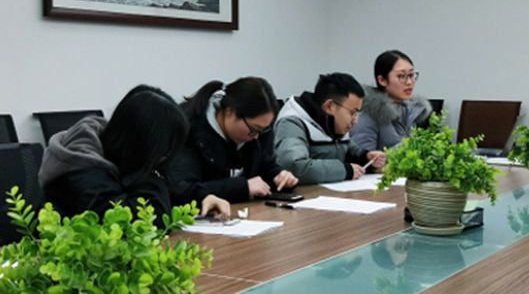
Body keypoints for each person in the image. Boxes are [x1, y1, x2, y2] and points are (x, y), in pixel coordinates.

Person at [39, 85, 230, 222]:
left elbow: (170, 185)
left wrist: (201, 197)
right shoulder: (82, 168)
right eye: (164, 152)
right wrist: (152, 170)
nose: (166, 158)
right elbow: (145, 220)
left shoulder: (118, 150)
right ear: (144, 144)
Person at [170, 76, 298, 205]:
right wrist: (243, 188)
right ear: (230, 112)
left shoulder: (254, 133)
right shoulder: (188, 131)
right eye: (254, 129)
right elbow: (183, 191)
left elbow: (265, 166)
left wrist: (278, 176)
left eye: (262, 130)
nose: (256, 137)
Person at [274, 73, 386, 184]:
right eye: (352, 113)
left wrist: (366, 158)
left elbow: (349, 152)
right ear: (329, 106)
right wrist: (345, 170)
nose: (355, 121)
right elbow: (294, 165)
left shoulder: (334, 123)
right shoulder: (292, 123)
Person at [350, 50, 432, 152]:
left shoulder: (411, 111)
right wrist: (406, 146)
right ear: (382, 80)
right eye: (401, 76)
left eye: (411, 75)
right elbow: (362, 159)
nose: (409, 82)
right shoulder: (368, 115)